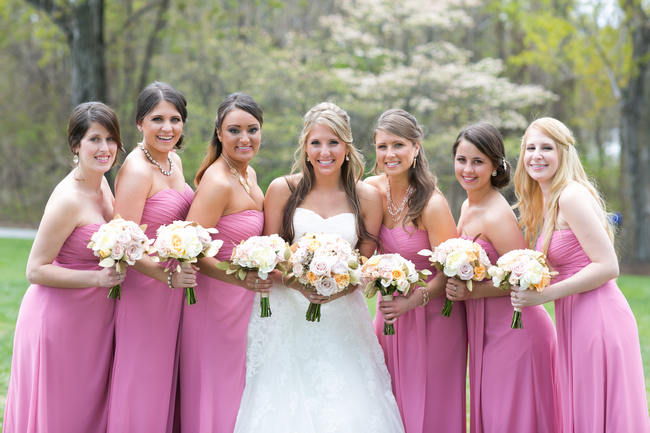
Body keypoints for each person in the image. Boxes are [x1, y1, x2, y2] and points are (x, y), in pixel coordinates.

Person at [233, 102, 405, 433]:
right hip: (289, 316)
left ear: (347, 146)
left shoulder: (366, 196)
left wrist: (336, 287)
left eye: (333, 142)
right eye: (316, 143)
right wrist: (298, 284)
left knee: (348, 409)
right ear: (306, 147)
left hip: (343, 317)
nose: (324, 152)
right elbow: (270, 256)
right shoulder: (283, 189)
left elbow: (365, 264)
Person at [512, 117, 650, 432]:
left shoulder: (570, 196)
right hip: (574, 316)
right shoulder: (546, 200)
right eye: (530, 147)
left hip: (598, 318)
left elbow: (607, 266)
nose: (537, 155)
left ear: (563, 152)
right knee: (582, 410)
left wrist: (544, 295)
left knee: (598, 411)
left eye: (546, 147)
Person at [3, 102, 125, 433]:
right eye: (94, 139)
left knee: (86, 411)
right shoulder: (68, 199)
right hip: (57, 321)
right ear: (76, 145)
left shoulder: (101, 184)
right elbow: (35, 269)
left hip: (93, 321)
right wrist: (98, 278)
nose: (105, 148)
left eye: (111, 139)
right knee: (60, 413)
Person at [446, 122, 560, 433]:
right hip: (487, 331)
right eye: (462, 160)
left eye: (478, 161)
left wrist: (471, 292)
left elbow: (522, 276)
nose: (468, 169)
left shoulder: (496, 214)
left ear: (496, 166)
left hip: (516, 331)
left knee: (512, 420)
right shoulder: (468, 203)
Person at [364, 109, 465, 433]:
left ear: (416, 147)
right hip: (391, 313)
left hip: (433, 317)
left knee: (431, 406)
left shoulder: (431, 204)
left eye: (398, 145)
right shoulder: (370, 190)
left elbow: (451, 270)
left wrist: (413, 301)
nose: (390, 154)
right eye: (382, 146)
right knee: (387, 400)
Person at [179, 93, 272, 433]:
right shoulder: (217, 182)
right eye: (235, 130)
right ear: (219, 133)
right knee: (216, 389)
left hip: (241, 302)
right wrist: (241, 281)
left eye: (252, 129)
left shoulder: (250, 174)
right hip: (215, 302)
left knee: (238, 389)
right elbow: (193, 252)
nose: (245, 138)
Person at [107, 81, 196, 433]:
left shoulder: (173, 160)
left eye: (175, 119)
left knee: (165, 378)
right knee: (142, 379)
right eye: (157, 119)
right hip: (146, 291)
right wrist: (165, 276)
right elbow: (122, 243)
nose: (167, 128)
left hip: (175, 290)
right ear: (140, 123)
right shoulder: (136, 169)